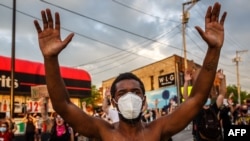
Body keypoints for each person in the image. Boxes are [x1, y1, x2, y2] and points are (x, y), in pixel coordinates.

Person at [33, 2, 227, 140]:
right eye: (122, 93)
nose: (130, 97)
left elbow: (196, 98)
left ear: (144, 99)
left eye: (135, 92)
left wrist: (213, 50)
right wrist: (50, 59)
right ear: (115, 102)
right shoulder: (103, 131)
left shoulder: (158, 129)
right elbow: (63, 105)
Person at [184, 69, 227, 141]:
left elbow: (222, 94)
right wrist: (186, 82)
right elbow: (186, 98)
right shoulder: (197, 110)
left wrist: (222, 80)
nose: (206, 98)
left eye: (208, 96)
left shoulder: (214, 108)